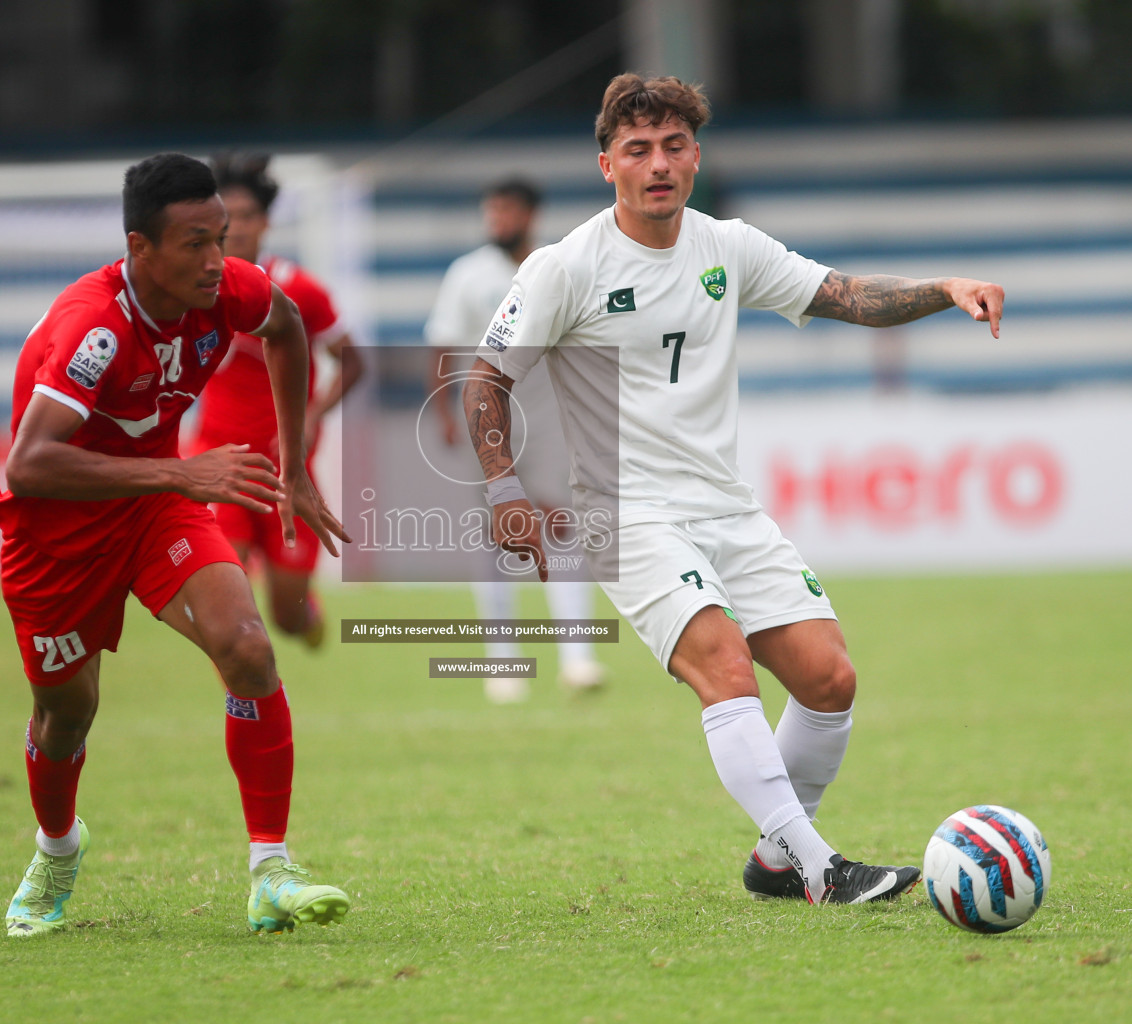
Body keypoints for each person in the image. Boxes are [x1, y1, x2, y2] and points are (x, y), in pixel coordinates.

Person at [463, 75, 1006, 904]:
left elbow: (847, 298)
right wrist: (503, 491)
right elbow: (483, 380)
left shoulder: (728, 246)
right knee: (725, 668)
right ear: (606, 162)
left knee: (830, 681)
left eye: (674, 147)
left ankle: (777, 859)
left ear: (696, 158)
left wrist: (944, 290)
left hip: (726, 507)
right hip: (626, 514)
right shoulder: (564, 267)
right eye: (638, 149)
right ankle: (822, 869)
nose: (658, 165)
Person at [0, 153, 354, 937]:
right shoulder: (93, 326)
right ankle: (57, 850)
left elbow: (288, 330)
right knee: (66, 715)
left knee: (248, 646)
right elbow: (30, 461)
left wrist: (293, 466)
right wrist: (183, 470)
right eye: (195, 243)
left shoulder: (229, 290)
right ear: (139, 248)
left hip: (157, 508)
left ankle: (270, 870)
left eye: (221, 238)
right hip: (56, 531)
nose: (217, 261)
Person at [425, 178, 608, 704]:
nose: (497, 219)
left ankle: (577, 657)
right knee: (495, 536)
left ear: (530, 213)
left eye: (506, 209)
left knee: (561, 525)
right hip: (487, 423)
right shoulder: (468, 274)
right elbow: (441, 343)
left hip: (549, 419)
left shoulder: (557, 267)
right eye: (492, 209)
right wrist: (440, 411)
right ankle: (503, 661)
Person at [194, 154, 363, 648]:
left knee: (286, 614)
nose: (236, 227)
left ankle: (305, 616)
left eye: (246, 215)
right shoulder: (193, 290)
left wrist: (312, 416)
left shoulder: (297, 291)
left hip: (286, 467)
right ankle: (244, 694)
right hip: (220, 460)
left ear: (265, 222)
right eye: (227, 216)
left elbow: (352, 361)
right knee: (226, 595)